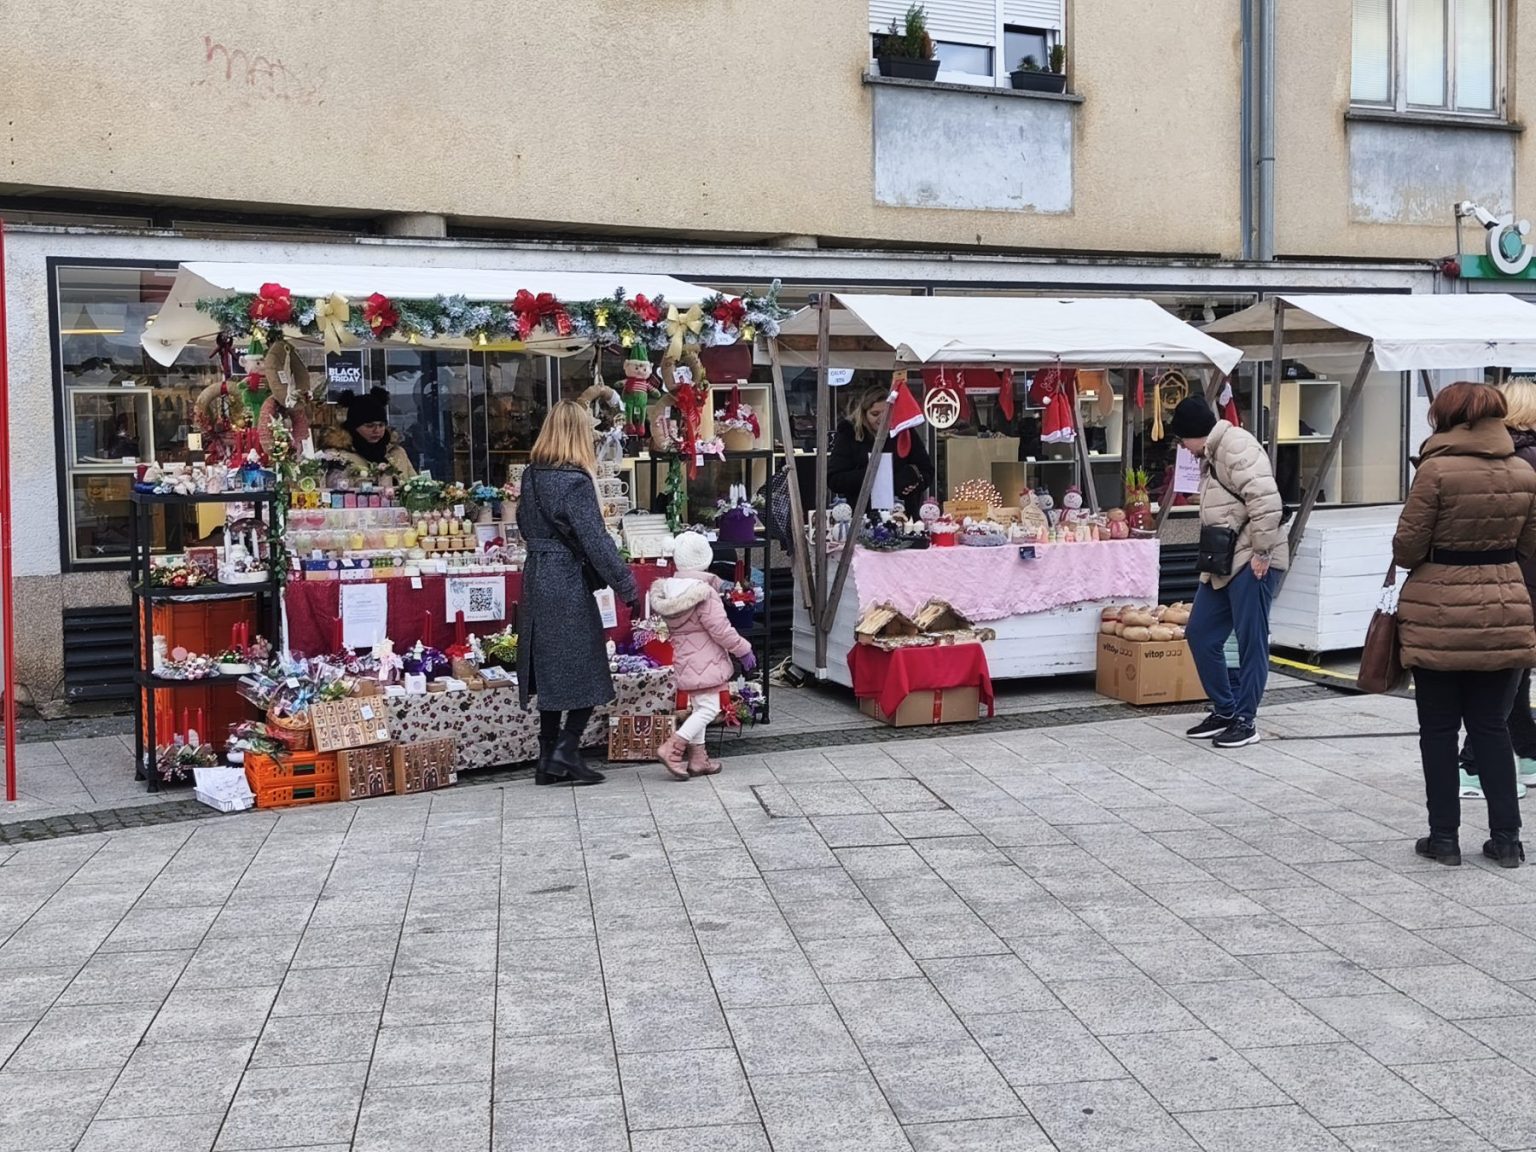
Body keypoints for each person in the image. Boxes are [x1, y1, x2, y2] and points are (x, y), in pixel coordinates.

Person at [1394, 380, 1536, 869]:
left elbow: (1406, 548)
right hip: (1505, 605)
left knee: (1437, 728)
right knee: (1492, 726)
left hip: (1438, 610)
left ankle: (1444, 839)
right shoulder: (1522, 471)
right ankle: (1507, 841)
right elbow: (1530, 545)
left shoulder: (1434, 470)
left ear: (1448, 417)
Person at [517, 400, 639, 786]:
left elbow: (522, 523)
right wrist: (626, 586)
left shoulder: (531, 476)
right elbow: (596, 540)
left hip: (535, 575)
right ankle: (567, 748)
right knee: (587, 665)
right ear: (579, 434)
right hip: (565, 579)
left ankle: (546, 758)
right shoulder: (575, 481)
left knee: (551, 670)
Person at [1173, 395, 1289, 750]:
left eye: (1182, 440)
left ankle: (1245, 719)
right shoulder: (1212, 454)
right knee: (1200, 633)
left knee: (1251, 640)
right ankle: (1225, 709)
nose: (1183, 448)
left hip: (1252, 560)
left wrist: (1262, 552)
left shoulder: (1236, 445)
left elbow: (1266, 500)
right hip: (1222, 562)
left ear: (1194, 433)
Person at [1457, 378, 1536, 802]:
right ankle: (1478, 764)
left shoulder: (1495, 455)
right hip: (1525, 579)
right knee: (1511, 675)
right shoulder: (1526, 458)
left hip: (1502, 579)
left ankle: (1522, 753)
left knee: (1512, 673)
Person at [650, 531, 756, 779]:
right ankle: (672, 747)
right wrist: (744, 649)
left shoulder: (670, 590)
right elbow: (721, 630)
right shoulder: (704, 594)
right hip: (706, 658)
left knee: (700, 706)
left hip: (685, 658)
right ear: (705, 559)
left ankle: (698, 759)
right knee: (709, 708)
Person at [828, 384, 933, 519]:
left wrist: (914, 480)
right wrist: (870, 476)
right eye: (875, 414)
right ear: (864, 414)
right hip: (861, 516)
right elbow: (834, 479)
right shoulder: (849, 434)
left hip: (903, 515)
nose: (882, 419)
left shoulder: (904, 432)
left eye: (887, 413)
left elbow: (927, 470)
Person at [330, 387, 417, 477]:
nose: (377, 430)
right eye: (370, 426)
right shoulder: (338, 457)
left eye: (381, 425)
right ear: (353, 426)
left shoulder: (397, 453)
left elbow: (414, 481)